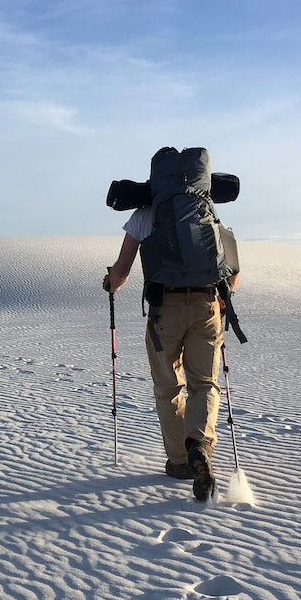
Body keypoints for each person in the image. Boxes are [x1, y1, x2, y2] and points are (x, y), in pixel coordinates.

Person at [102, 156, 239, 502]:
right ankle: (200, 446)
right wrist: (223, 300)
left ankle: (180, 460)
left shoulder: (143, 217)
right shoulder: (208, 213)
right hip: (207, 306)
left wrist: (111, 284)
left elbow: (121, 272)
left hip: (165, 311)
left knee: (168, 387)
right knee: (205, 383)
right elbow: (233, 268)